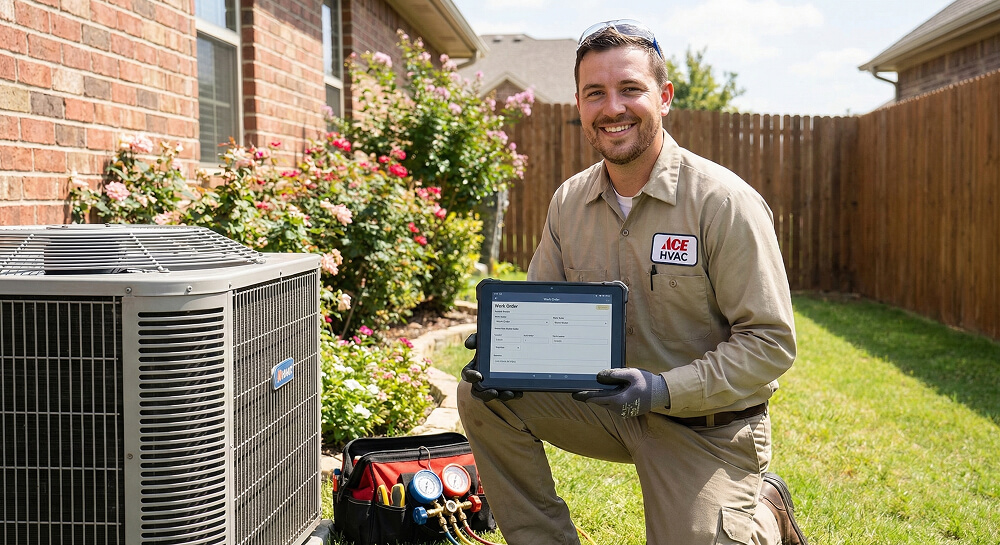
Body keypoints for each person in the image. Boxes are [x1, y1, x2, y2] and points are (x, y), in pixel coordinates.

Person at [457, 19, 809, 545]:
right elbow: (543, 307)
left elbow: (770, 343)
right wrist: (506, 355)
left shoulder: (722, 202)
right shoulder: (569, 202)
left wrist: (663, 389)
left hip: (705, 426)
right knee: (481, 395)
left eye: (630, 89)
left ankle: (761, 513)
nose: (612, 107)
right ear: (579, 105)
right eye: (595, 93)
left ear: (664, 97)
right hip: (605, 407)